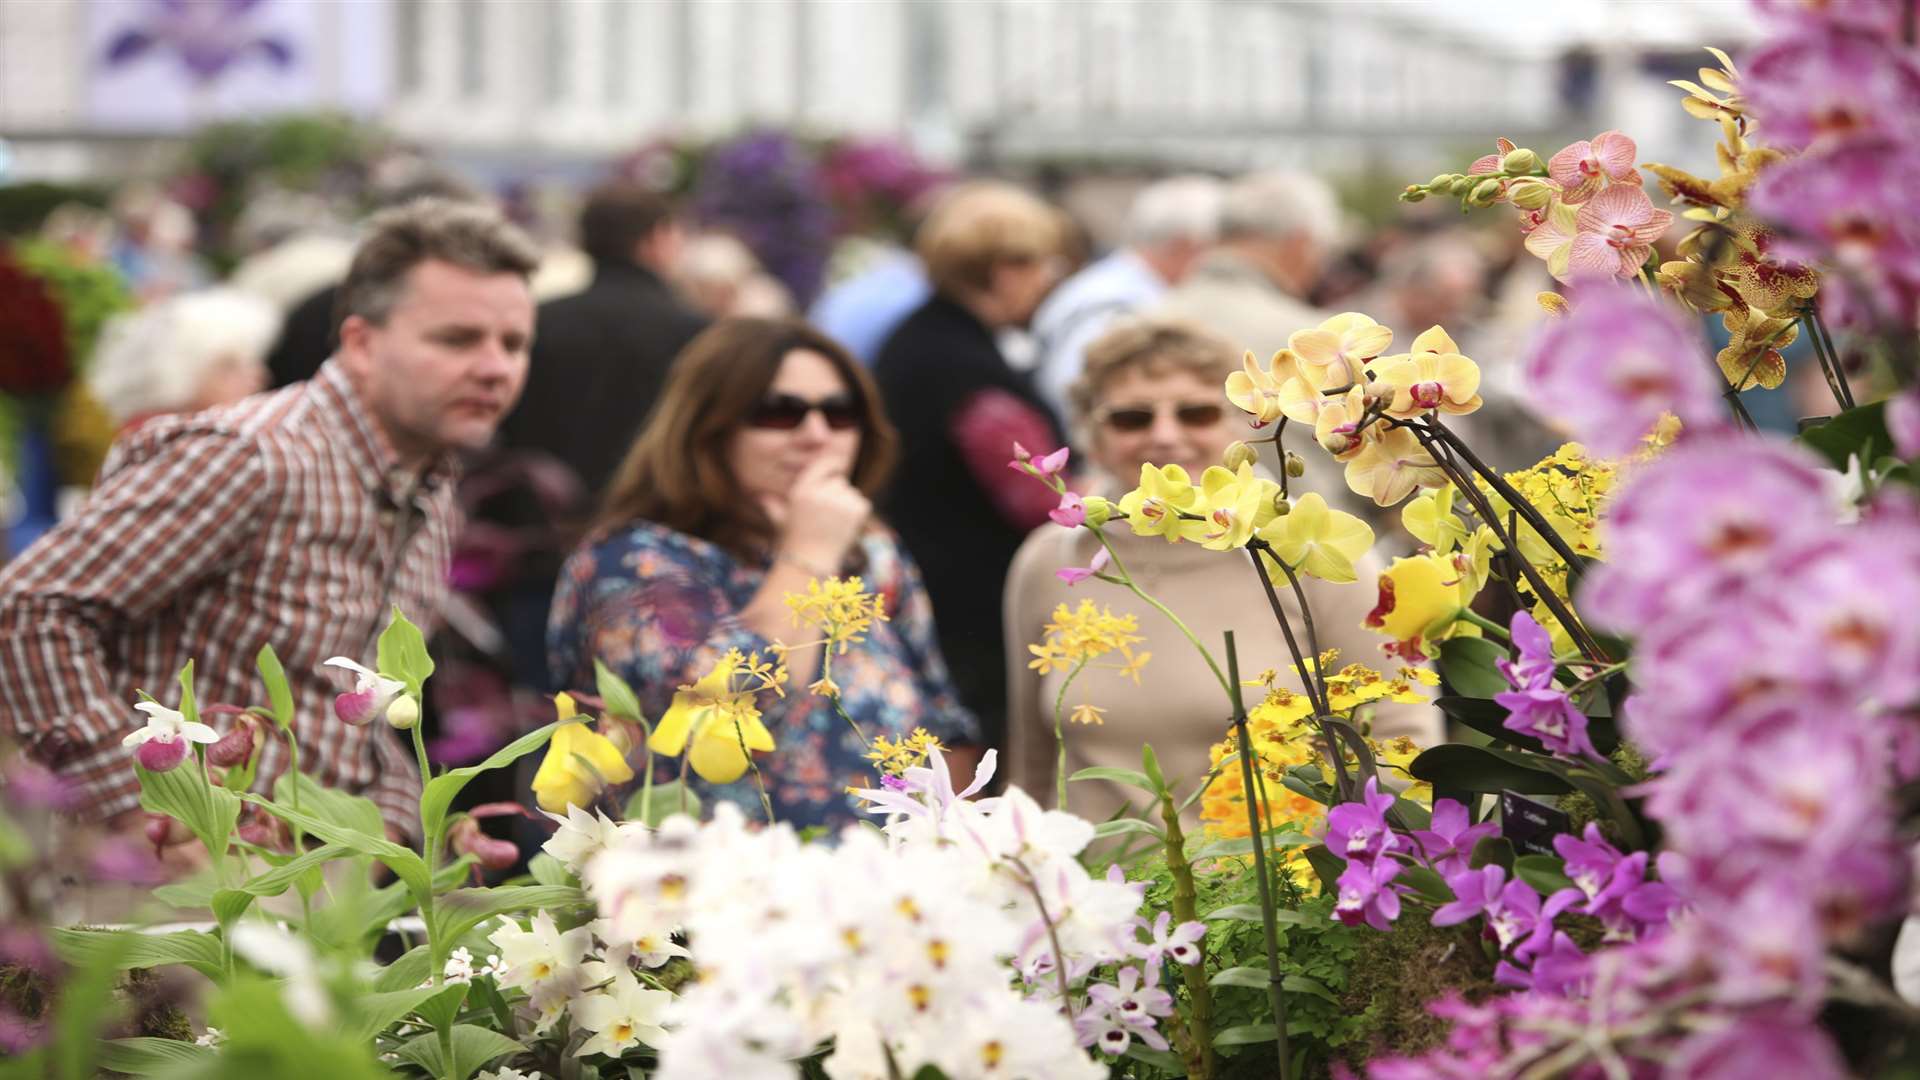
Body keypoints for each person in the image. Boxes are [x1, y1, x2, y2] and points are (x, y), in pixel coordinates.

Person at [0, 198, 541, 855]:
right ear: (362, 344)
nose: (496, 367)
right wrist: (136, 810)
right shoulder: (251, 455)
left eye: (514, 344)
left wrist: (407, 837)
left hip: (311, 893)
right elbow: (31, 608)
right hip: (186, 896)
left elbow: (347, 712)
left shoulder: (428, 480)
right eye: (457, 339)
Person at [1002, 317, 1440, 823]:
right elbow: (1032, 764)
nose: (1166, 436)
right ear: (1090, 439)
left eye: (1197, 413)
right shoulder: (1051, 561)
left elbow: (1401, 736)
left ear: (1241, 429)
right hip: (1093, 888)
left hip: (1270, 892)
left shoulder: (1305, 550)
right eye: (1131, 419)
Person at [547, 318, 979, 831]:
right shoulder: (633, 562)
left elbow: (945, 726)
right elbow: (731, 707)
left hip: (884, 891)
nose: (816, 435)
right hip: (704, 887)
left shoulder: (872, 552)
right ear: (710, 429)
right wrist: (811, 551)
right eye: (779, 412)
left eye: (840, 413)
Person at [872, 181, 1066, 758]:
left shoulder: (915, 337)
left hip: (926, 573)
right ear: (1004, 269)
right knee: (970, 753)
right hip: (973, 601)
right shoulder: (965, 362)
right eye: (1038, 264)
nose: (1046, 280)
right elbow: (1036, 492)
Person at [501, 182, 708, 499]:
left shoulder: (538, 320)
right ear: (656, 238)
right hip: (651, 514)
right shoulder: (695, 331)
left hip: (535, 517)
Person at [1031, 174, 1223, 423]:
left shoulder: (1113, 286)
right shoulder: (1115, 302)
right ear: (1184, 244)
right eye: (1215, 247)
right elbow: (1072, 395)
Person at [1158, 169, 1341, 361]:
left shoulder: (1140, 324)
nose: (1320, 267)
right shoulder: (1317, 343)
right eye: (1320, 249)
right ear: (1300, 243)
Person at [87, 287, 278, 433]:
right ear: (181, 372)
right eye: (229, 366)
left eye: (253, 362)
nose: (259, 377)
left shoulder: (210, 428)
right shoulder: (159, 436)